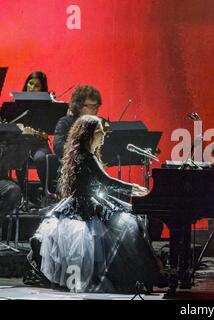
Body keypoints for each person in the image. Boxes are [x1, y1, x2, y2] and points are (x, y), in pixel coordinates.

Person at [26, 115, 164, 293]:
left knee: (129, 223)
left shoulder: (86, 155)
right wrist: (133, 188)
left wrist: (130, 190)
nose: (103, 134)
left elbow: (102, 183)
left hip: (89, 202)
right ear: (87, 135)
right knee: (130, 225)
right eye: (99, 131)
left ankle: (144, 276)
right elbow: (106, 181)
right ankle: (146, 276)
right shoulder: (87, 157)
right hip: (85, 207)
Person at [15, 71, 53, 198]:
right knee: (18, 157)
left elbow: (49, 128)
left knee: (41, 158)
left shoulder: (47, 106)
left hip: (39, 145)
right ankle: (22, 195)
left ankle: (47, 193)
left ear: (42, 89)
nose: (32, 88)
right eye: (30, 83)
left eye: (37, 86)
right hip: (20, 144)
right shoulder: (15, 104)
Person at [54, 85, 102, 159]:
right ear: (79, 106)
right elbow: (58, 147)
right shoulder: (65, 122)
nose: (95, 110)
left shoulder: (99, 124)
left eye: (96, 106)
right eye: (91, 106)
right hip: (71, 167)